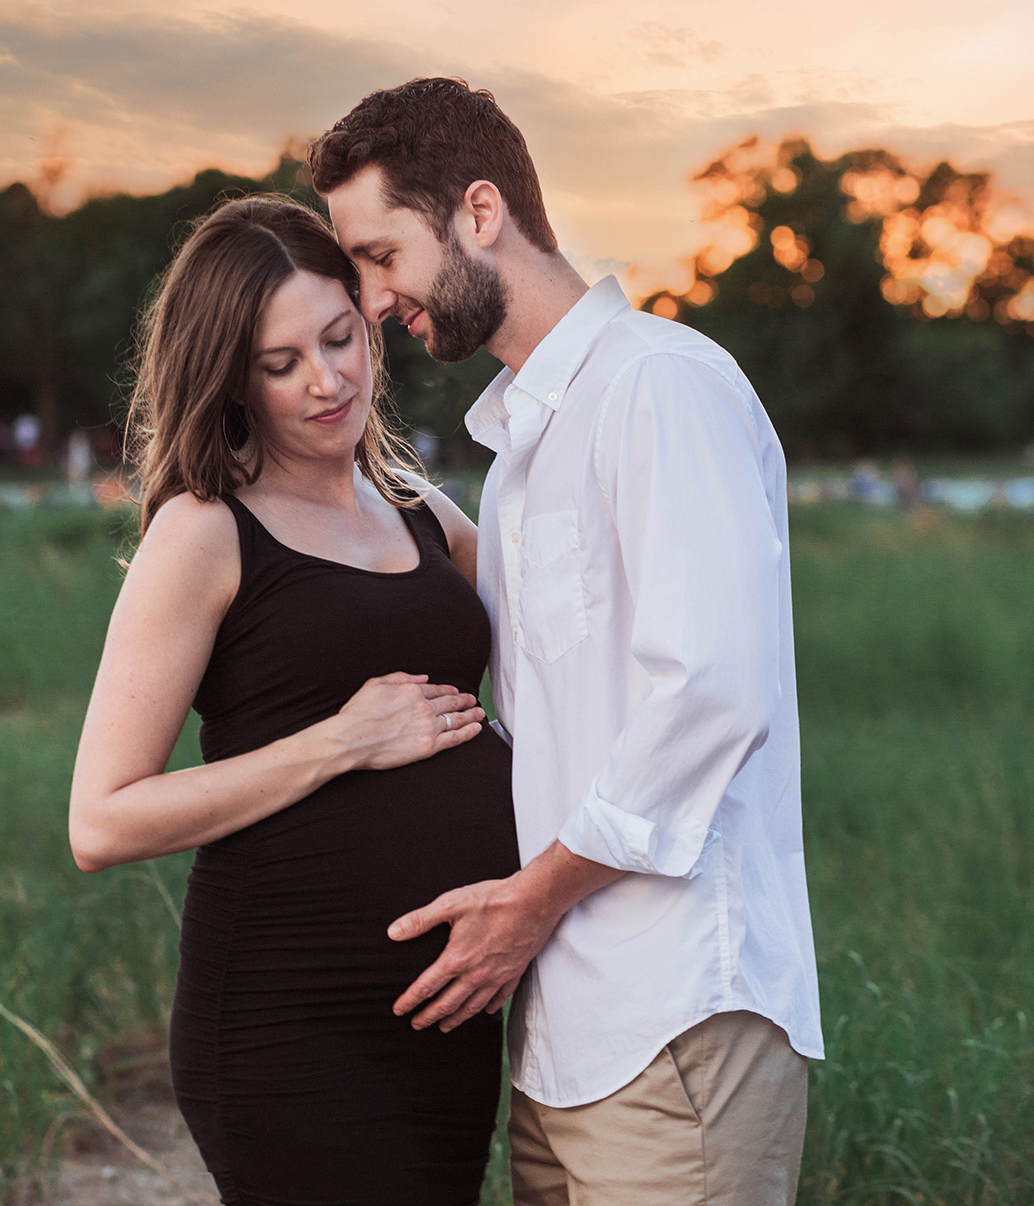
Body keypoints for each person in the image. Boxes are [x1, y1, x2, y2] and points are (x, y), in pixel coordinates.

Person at [309, 80, 824, 1206]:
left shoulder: (658, 386)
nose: (375, 300)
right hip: (556, 1033)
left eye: (383, 256)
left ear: (479, 210)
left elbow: (714, 693)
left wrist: (530, 899)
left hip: (676, 1017)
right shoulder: (519, 455)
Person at [68, 195, 520, 1206]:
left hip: (446, 1017)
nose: (327, 380)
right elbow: (100, 821)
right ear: (232, 378)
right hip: (288, 1026)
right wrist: (341, 742)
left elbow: (560, 642)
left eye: (339, 337)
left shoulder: (417, 510)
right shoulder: (204, 531)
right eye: (281, 363)